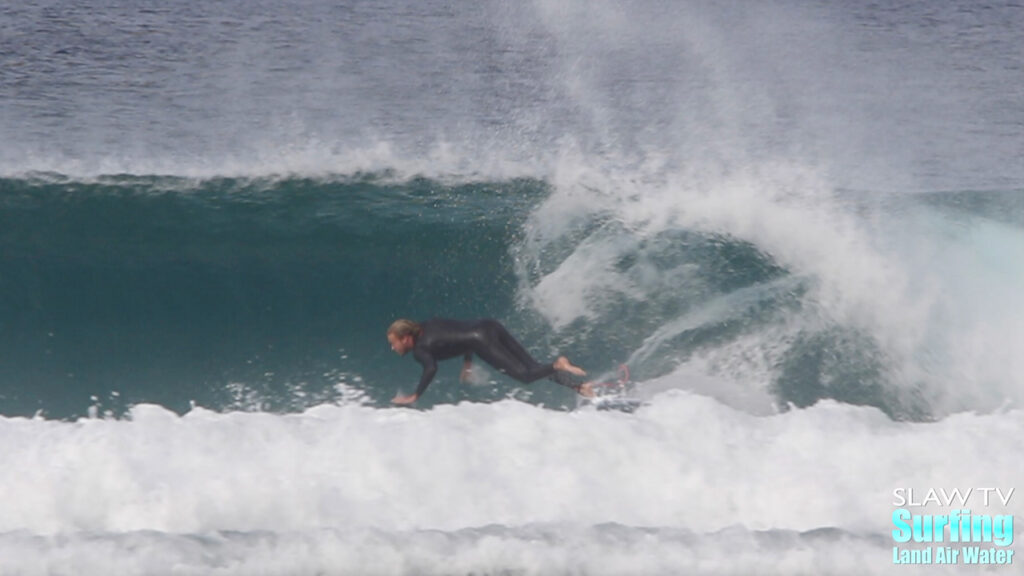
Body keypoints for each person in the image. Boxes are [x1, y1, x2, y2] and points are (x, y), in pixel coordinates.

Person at [387, 318, 593, 404]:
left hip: (482, 341)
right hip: (489, 326)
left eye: (394, 343)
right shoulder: (429, 324)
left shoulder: (419, 350)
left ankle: (558, 364)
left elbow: (431, 368)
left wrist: (415, 396)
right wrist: (467, 362)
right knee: (534, 367)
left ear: (406, 338)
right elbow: (457, 334)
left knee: (526, 376)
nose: (393, 348)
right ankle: (578, 386)